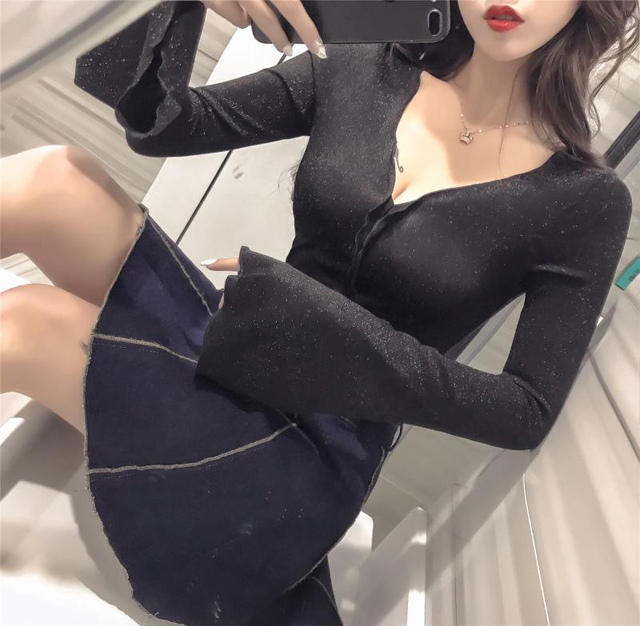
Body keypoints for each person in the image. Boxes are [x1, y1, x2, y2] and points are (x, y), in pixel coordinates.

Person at [0, 1, 636, 624]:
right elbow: (161, 123)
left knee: (25, 323)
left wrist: (318, 325)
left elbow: (524, 410)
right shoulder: (363, 66)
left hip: (310, 455)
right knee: (58, 179)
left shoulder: (583, 201)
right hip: (234, 351)